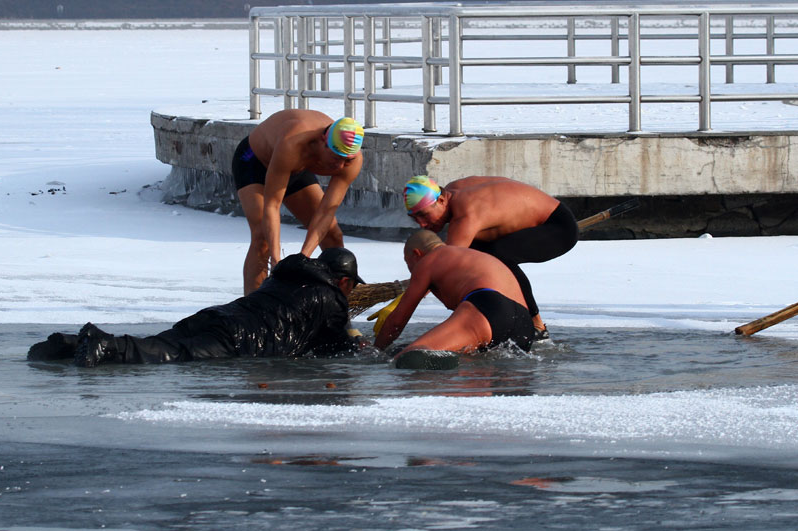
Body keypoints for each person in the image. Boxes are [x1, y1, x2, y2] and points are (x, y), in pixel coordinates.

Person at [27, 248, 367, 367]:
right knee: (171, 356)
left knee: (161, 342)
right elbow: (335, 345)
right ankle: (105, 343)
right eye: (351, 286)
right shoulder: (329, 296)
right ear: (343, 281)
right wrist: (363, 346)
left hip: (215, 315)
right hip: (238, 339)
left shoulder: (285, 275)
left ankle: (72, 344)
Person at [402, 175, 579, 336]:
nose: (422, 224)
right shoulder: (453, 191)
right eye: (415, 218)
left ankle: (537, 325)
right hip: (533, 219)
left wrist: (404, 299)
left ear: (441, 200)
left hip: (557, 227)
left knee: (498, 256)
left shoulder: (465, 214)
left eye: (424, 215)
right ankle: (493, 315)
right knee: (477, 254)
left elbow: (442, 268)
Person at [233, 109, 364, 294]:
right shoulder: (293, 143)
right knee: (262, 237)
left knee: (333, 236)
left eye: (347, 161)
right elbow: (272, 206)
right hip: (254, 161)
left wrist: (303, 259)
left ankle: (337, 306)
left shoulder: (353, 161)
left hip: (296, 168)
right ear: (322, 142)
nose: (340, 166)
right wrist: (277, 261)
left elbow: (326, 211)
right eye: (336, 158)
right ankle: (252, 306)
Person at [373, 230, 534, 361]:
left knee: (410, 358)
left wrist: (375, 351)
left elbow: (397, 322)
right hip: (524, 325)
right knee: (477, 363)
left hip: (488, 306)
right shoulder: (471, 255)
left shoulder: (429, 260)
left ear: (417, 254)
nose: (411, 272)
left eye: (409, 265)